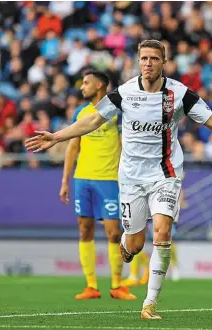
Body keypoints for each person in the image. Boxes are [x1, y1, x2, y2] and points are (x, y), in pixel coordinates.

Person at [25, 39, 212, 319]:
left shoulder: (179, 93)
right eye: (144, 58)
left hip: (166, 174)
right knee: (135, 244)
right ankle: (127, 247)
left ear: (163, 63)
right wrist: (56, 136)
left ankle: (149, 303)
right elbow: (92, 120)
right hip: (131, 178)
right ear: (138, 61)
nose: (148, 63)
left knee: (163, 232)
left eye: (154, 58)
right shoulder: (125, 92)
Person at [60, 69, 136, 301]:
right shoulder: (80, 112)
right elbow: (73, 147)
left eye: (86, 83)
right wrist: (65, 181)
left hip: (110, 179)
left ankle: (117, 284)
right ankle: (91, 286)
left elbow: (126, 145)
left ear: (100, 85)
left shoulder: (117, 113)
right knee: (85, 229)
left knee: (114, 232)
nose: (82, 87)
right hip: (83, 178)